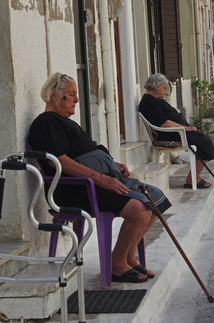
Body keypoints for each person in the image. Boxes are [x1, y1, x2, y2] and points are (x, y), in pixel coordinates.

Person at [29, 72, 172, 283]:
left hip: (93, 183)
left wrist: (113, 165)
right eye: (72, 94)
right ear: (54, 95)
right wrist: (100, 178)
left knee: (155, 203)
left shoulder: (64, 121)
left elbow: (86, 151)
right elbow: (61, 161)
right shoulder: (46, 123)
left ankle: (127, 257)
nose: (77, 99)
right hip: (76, 189)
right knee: (139, 210)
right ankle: (116, 263)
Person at [139, 73, 214, 189]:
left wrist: (186, 127)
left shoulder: (154, 99)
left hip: (177, 132)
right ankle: (192, 180)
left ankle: (193, 178)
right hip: (171, 134)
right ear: (156, 87)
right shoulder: (149, 102)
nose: (165, 92)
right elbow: (164, 123)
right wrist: (186, 128)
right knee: (205, 142)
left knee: (205, 140)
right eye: (164, 88)